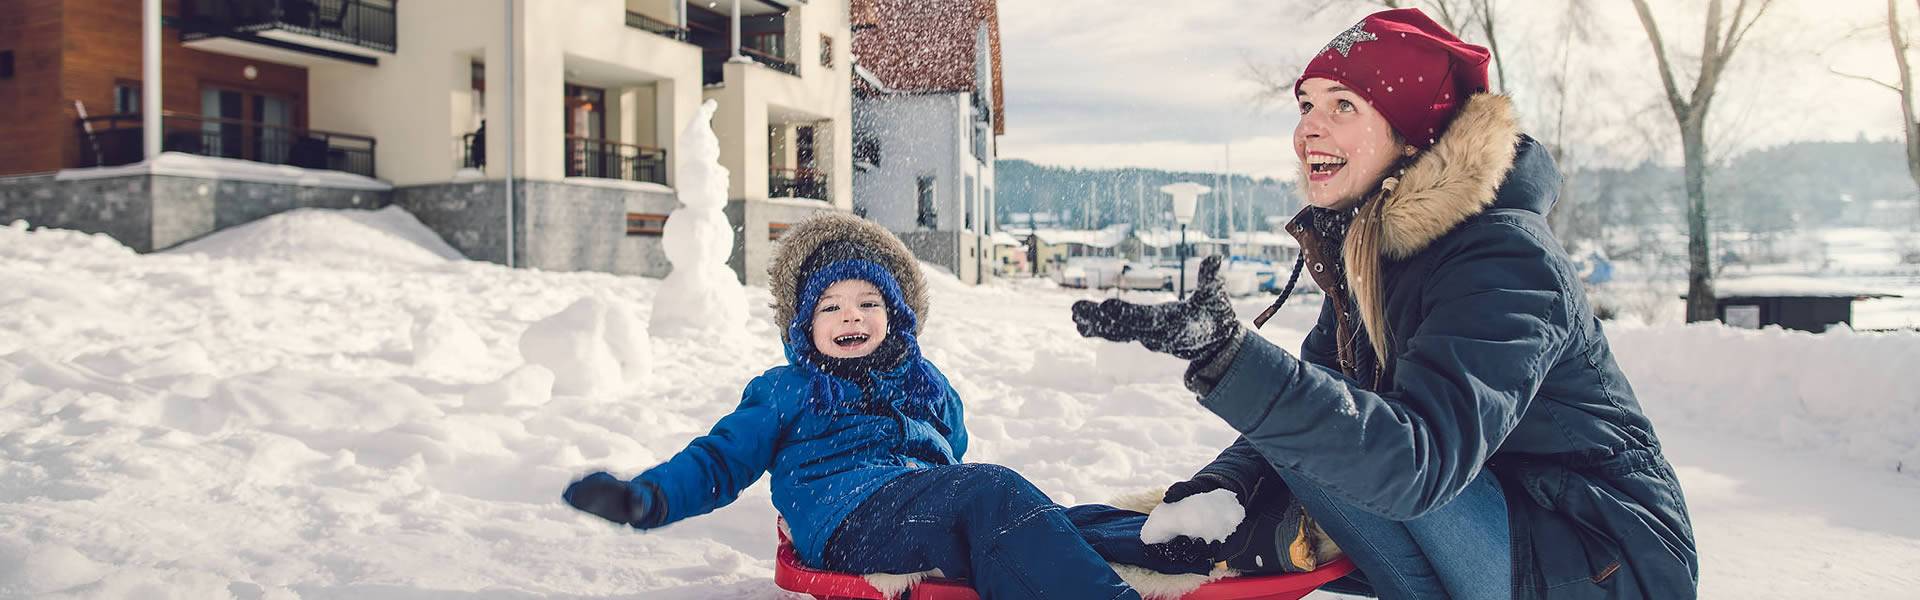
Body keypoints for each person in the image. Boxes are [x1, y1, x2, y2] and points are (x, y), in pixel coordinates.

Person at [1070, 9, 1697, 600]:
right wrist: (1217, 489)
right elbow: (1315, 403)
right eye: (1308, 104)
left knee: (1334, 441)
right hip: (1489, 519)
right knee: (1318, 434)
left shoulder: (1504, 257)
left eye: (1343, 105)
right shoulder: (1369, 251)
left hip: (1599, 558)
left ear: (1411, 134)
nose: (1309, 125)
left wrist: (1233, 362)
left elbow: (1418, 462)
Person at [561, 212, 1214, 599]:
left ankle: (1190, 542)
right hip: (848, 521)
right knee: (994, 495)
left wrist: (911, 370)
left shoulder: (913, 376)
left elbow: (950, 439)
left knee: (1048, 518)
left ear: (895, 318)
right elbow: (719, 461)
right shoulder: (787, 388)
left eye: (870, 305)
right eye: (832, 307)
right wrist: (647, 498)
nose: (852, 317)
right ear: (802, 327)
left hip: (915, 503)